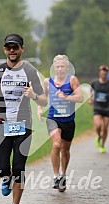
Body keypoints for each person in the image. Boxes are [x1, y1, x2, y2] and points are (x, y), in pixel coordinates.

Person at [0, 33, 47, 204]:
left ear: (22, 49)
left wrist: (34, 95)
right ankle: (6, 178)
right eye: (9, 47)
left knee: (19, 168)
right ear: (4, 50)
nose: (12, 50)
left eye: (15, 47)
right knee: (2, 168)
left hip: (24, 126)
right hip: (2, 125)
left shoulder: (30, 71)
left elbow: (43, 98)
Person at [37, 55, 83, 192]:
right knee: (56, 145)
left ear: (67, 68)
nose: (60, 69)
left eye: (62, 66)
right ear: (54, 67)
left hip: (68, 120)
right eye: (57, 66)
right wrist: (39, 108)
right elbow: (43, 97)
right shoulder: (48, 81)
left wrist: (67, 97)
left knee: (65, 149)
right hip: (53, 118)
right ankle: (56, 176)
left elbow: (80, 98)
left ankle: (63, 175)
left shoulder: (72, 80)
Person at [88, 65, 109, 153]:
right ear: (100, 74)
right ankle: (99, 137)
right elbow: (91, 91)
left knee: (105, 128)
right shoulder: (95, 83)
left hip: (107, 108)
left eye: (105, 74)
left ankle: (102, 145)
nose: (103, 75)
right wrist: (90, 98)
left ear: (107, 74)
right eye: (101, 74)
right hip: (97, 107)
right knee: (98, 125)